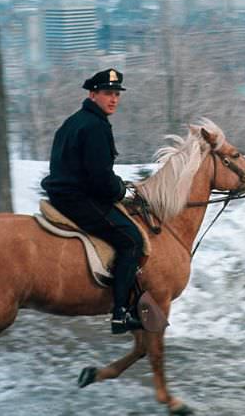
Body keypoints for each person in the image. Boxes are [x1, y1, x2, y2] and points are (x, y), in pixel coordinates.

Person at [41, 68, 144, 334]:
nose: (114, 99)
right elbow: (99, 179)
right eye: (108, 93)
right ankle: (120, 312)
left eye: (117, 94)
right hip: (79, 200)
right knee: (132, 239)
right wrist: (121, 191)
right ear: (93, 94)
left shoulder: (75, 121)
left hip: (63, 194)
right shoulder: (95, 126)